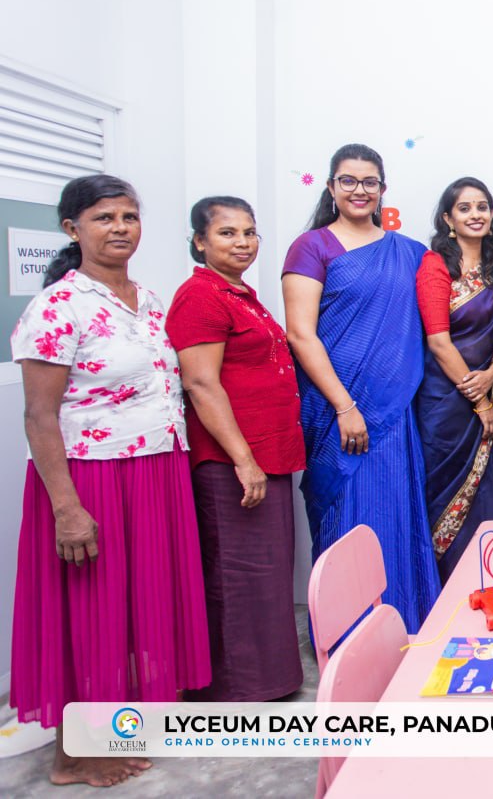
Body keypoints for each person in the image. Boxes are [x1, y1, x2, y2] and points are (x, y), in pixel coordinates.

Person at [10, 175, 209, 787]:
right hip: (91, 478)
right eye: (104, 218)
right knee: (90, 606)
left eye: (129, 216)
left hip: (156, 469)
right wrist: (66, 508)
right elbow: (40, 415)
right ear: (73, 229)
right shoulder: (57, 305)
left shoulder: (147, 300)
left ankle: (116, 725)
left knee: (134, 603)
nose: (120, 227)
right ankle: (73, 753)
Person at [283, 144, 441, 628]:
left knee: (392, 514)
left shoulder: (410, 253)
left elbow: (433, 326)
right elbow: (300, 333)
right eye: (348, 180)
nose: (358, 190)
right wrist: (345, 405)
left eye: (369, 181)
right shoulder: (312, 247)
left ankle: (401, 623)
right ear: (331, 187)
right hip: (338, 412)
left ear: (382, 190)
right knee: (346, 519)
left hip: (393, 414)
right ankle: (345, 631)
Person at [167, 196, 305, 701]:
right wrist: (242, 460)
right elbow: (201, 384)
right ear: (200, 241)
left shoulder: (238, 294)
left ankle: (269, 681)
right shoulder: (200, 297)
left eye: (249, 233)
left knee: (266, 572)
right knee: (238, 573)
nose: (242, 242)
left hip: (265, 453)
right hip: (231, 460)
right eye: (227, 233)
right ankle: (233, 688)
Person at [416, 178, 493, 580]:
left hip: (486, 388)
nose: (476, 215)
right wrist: (480, 402)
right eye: (466, 208)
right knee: (445, 492)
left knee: (488, 491)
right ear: (448, 219)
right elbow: (438, 341)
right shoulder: (436, 266)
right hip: (445, 402)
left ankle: (489, 581)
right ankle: (448, 589)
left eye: (483, 206)